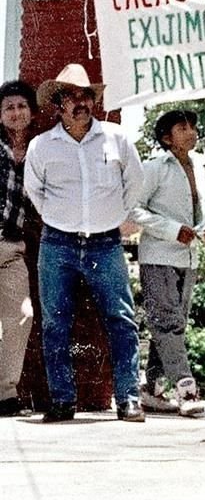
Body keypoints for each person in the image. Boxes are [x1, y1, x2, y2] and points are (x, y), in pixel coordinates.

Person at [24, 63, 145, 423]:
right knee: (55, 323)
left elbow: (134, 184)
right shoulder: (41, 146)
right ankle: (62, 400)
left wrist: (110, 217)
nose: (81, 103)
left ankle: (129, 398)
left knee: (121, 319)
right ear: (58, 104)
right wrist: (64, 219)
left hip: (105, 243)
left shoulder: (117, 138)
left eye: (86, 96)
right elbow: (36, 192)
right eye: (72, 96)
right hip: (57, 243)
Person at [130, 109, 205, 417]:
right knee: (167, 323)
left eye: (193, 126)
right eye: (183, 128)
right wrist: (171, 230)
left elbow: (200, 213)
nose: (192, 132)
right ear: (167, 138)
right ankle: (186, 390)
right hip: (158, 256)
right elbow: (133, 209)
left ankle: (152, 389)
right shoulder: (154, 167)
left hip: (188, 257)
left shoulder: (199, 168)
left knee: (172, 325)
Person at [0, 81, 39, 417]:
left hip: (12, 245)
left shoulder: (40, 151)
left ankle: (5, 393)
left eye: (21, 106)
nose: (16, 113)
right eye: (8, 107)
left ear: (32, 112)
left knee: (23, 314)